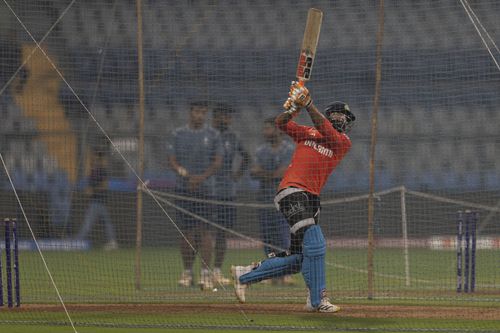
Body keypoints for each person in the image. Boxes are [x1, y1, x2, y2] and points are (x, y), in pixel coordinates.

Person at [231, 81, 355, 313]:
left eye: (345, 117)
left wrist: (308, 104)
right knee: (316, 244)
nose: (342, 119)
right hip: (292, 191)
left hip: (312, 199)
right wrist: (294, 108)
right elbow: (281, 123)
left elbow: (327, 131)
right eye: (338, 114)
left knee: (301, 257)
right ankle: (318, 300)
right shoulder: (307, 132)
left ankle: (245, 275)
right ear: (329, 115)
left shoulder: (342, 143)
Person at [168, 101, 223, 290]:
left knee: (205, 232)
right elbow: (172, 160)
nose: (200, 115)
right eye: (197, 111)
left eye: (203, 112)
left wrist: (200, 178)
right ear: (190, 112)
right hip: (184, 189)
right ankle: (187, 272)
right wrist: (184, 174)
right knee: (187, 232)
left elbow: (217, 162)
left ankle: (206, 274)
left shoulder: (213, 135)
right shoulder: (178, 134)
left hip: (207, 190)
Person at [251, 117, 294, 285]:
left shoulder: (289, 149)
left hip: (284, 200)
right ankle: (272, 272)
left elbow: (283, 173)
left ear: (278, 130)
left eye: (268, 128)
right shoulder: (261, 150)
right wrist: (271, 174)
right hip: (264, 199)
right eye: (265, 128)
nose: (265, 132)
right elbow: (253, 172)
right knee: (268, 238)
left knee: (284, 237)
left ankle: (286, 273)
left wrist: (265, 174)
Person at [211, 103, 251, 286]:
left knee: (221, 233)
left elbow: (247, 157)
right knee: (200, 232)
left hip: (227, 191)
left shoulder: (233, 137)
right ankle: (198, 272)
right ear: (215, 118)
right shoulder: (207, 135)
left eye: (228, 117)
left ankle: (216, 271)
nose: (226, 120)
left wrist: (236, 175)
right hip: (208, 190)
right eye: (222, 116)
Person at [76, 146, 118, 250]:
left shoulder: (102, 170)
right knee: (105, 222)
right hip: (96, 201)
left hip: (98, 201)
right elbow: (90, 184)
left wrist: (92, 190)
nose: (92, 158)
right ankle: (112, 241)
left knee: (88, 223)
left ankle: (78, 241)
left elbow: (105, 185)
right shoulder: (93, 171)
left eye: (94, 157)